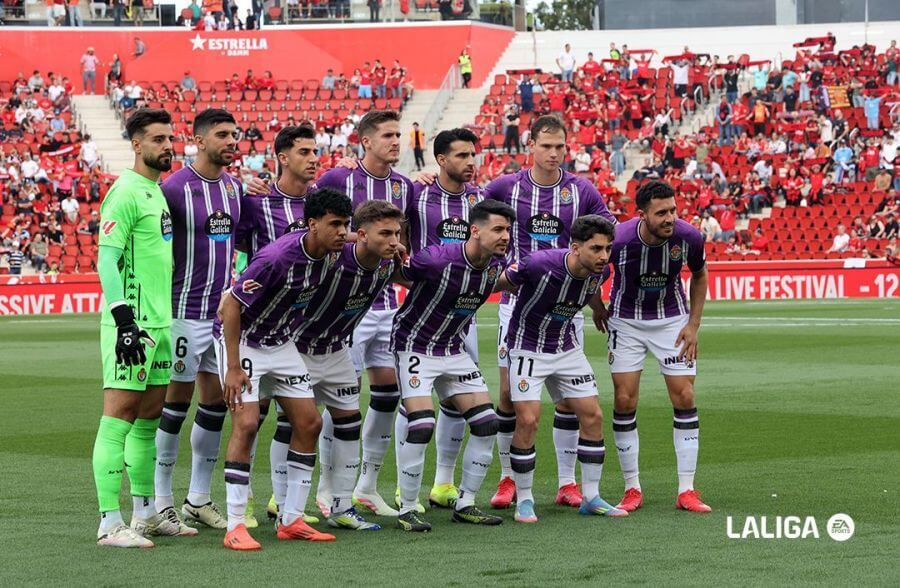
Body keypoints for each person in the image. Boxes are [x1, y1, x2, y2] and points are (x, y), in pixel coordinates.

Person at [484, 115, 616, 510]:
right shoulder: (505, 186)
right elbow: (474, 221)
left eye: (560, 146)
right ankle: (509, 479)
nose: (555, 153)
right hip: (516, 305)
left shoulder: (581, 190)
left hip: (566, 307)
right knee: (509, 396)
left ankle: (567, 483)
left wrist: (595, 302)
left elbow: (607, 235)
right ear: (531, 145)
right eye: (547, 146)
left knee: (568, 401)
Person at [215, 189, 352, 550]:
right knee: (246, 423)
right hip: (243, 341)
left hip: (281, 342)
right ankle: (235, 525)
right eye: (335, 225)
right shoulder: (277, 258)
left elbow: (354, 236)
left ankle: (291, 519)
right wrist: (232, 365)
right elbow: (230, 305)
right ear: (312, 225)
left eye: (346, 225)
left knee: (310, 422)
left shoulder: (330, 250)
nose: (342, 232)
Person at [91, 108, 197, 548]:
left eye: (169, 138)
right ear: (137, 144)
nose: (166, 146)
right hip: (132, 325)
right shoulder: (125, 192)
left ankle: (146, 513)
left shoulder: (156, 192)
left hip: (161, 322)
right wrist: (123, 320)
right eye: (156, 139)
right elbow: (107, 259)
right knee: (118, 418)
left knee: (149, 420)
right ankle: (108, 522)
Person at [315, 110, 418, 517]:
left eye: (398, 134)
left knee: (388, 394)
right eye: (389, 135)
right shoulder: (336, 179)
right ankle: (326, 488)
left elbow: (403, 241)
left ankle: (367, 486)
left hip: (386, 304)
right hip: (345, 308)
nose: (397, 141)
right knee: (340, 400)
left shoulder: (404, 186)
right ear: (366, 140)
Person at [393, 199, 514, 532]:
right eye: (498, 229)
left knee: (488, 423)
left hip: (452, 349)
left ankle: (466, 503)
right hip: (414, 345)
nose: (505, 236)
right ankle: (406, 507)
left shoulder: (494, 265)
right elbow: (397, 272)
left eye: (508, 230)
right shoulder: (436, 259)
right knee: (420, 425)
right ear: (475, 230)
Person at [597, 180, 711, 514]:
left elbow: (700, 274)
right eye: (661, 212)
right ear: (642, 214)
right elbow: (592, 270)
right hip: (626, 322)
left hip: (671, 320)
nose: (670, 218)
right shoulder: (619, 239)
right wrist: (596, 306)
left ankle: (686, 489)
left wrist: (693, 324)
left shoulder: (688, 237)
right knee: (623, 399)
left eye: (673, 210)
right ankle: (632, 487)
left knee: (685, 396)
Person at [153, 109, 244, 532]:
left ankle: (198, 499)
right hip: (182, 315)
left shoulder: (234, 189)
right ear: (199, 139)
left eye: (235, 134)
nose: (231, 141)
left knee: (214, 407)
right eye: (222, 134)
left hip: (219, 316)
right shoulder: (174, 188)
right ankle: (160, 502)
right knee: (173, 407)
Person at [503, 215, 627, 522]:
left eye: (608, 248)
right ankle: (526, 499)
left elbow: (591, 289)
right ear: (575, 247)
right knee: (529, 420)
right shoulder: (538, 264)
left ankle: (592, 496)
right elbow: (497, 282)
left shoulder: (602, 272)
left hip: (566, 348)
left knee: (593, 415)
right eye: (596, 248)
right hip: (527, 346)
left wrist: (598, 308)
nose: (604, 256)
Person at [293, 200, 405, 532]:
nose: (393, 241)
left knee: (348, 421)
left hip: (337, 348)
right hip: (296, 348)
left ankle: (342, 505)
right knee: (293, 425)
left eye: (397, 233)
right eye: (385, 233)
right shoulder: (333, 258)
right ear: (360, 234)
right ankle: (287, 509)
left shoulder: (387, 265)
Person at [391, 128, 484, 515]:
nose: (470, 162)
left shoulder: (480, 200)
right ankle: (402, 489)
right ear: (441, 160)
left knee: (458, 401)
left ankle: (444, 482)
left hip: (464, 317)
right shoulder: (418, 194)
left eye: (473, 155)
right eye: (461, 155)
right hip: (423, 311)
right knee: (412, 405)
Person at [234, 124, 323, 525]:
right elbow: (234, 251)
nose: (313, 158)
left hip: (298, 328)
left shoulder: (322, 205)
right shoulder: (257, 202)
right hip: (254, 324)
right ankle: (244, 504)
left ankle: (285, 506)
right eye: (304, 152)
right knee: (254, 417)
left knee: (300, 419)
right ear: (283, 158)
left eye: (315, 151)